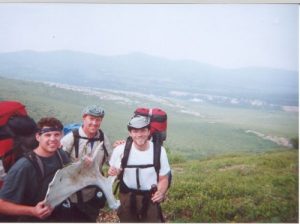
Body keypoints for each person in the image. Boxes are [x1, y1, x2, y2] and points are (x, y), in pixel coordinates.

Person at [0, 117, 70, 222]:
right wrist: (32, 211)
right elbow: (2, 205)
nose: (53, 139)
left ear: (62, 136)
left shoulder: (60, 155)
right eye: (47, 135)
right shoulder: (23, 166)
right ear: (38, 136)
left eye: (56, 134)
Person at [108, 115, 171, 223]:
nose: (139, 135)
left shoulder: (159, 151)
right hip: (127, 196)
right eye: (135, 131)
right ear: (130, 133)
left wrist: (161, 192)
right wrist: (114, 172)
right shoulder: (120, 150)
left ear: (148, 132)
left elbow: (163, 178)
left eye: (143, 130)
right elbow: (115, 172)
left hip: (150, 197)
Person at [61, 104, 113, 222]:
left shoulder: (103, 138)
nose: (94, 123)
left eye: (98, 120)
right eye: (91, 119)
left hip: (92, 194)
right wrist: (79, 164)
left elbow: (112, 161)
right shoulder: (72, 138)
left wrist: (121, 149)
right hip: (71, 194)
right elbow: (59, 163)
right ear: (84, 118)